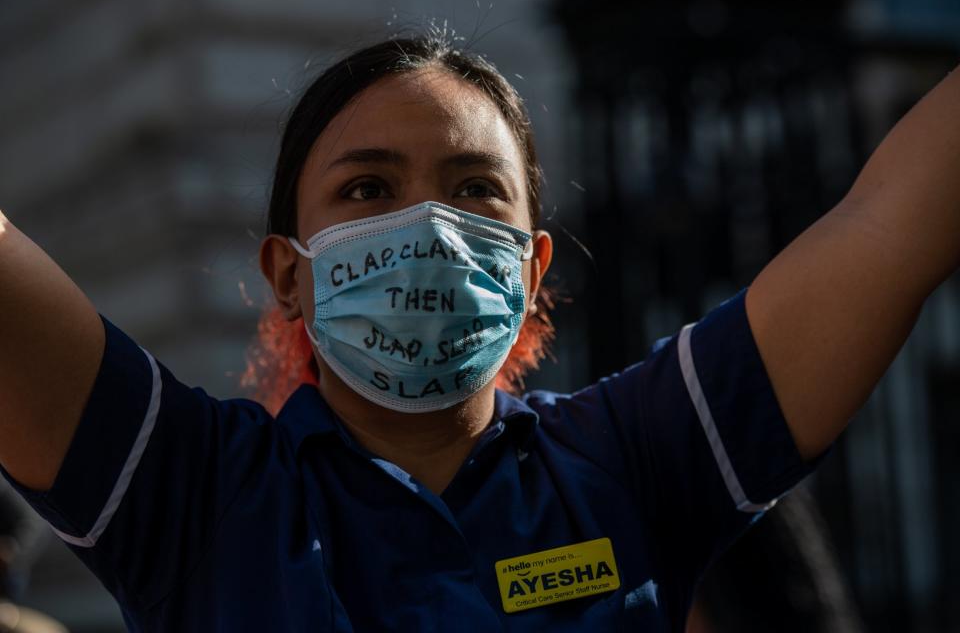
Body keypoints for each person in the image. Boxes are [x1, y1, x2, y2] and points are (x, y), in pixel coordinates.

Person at [0, 32, 957, 632]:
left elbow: (888, 226)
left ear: (533, 270)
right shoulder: (193, 491)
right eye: (368, 189)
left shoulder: (636, 459)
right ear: (288, 273)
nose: (431, 228)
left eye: (474, 190)